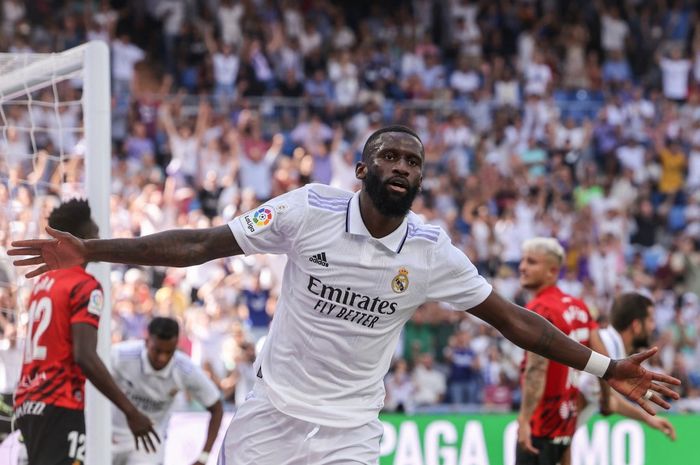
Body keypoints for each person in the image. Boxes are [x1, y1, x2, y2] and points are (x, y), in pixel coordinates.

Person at [9, 126, 680, 465]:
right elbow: (204, 244)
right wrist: (92, 250)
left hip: (350, 431)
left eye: (413, 161)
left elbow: (517, 322)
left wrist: (602, 364)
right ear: (362, 169)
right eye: (389, 156)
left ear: (419, 180)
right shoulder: (310, 209)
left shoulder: (431, 250)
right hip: (271, 410)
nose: (401, 167)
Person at [11, 199, 159, 465]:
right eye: (95, 235)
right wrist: (130, 411)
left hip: (28, 402)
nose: (100, 241)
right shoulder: (85, 285)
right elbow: (84, 355)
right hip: (58, 402)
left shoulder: (43, 282)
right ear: (80, 241)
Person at [515, 238, 608, 465]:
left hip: (541, 426)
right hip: (566, 423)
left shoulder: (539, 309)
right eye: (523, 260)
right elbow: (604, 361)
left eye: (532, 262)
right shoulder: (579, 306)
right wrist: (607, 400)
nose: (522, 267)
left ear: (552, 271)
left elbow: (537, 369)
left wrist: (524, 420)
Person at [111, 317, 223, 465]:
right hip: (110, 436)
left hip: (149, 444)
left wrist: (203, 456)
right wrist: (131, 414)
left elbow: (217, 407)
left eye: (168, 352)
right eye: (157, 350)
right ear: (146, 341)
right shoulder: (120, 356)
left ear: (176, 345)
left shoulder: (186, 370)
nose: (162, 358)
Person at [576, 293, 676, 442]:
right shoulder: (604, 345)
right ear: (636, 326)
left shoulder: (612, 349)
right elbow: (588, 392)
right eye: (650, 320)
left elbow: (609, 400)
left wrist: (648, 419)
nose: (653, 326)